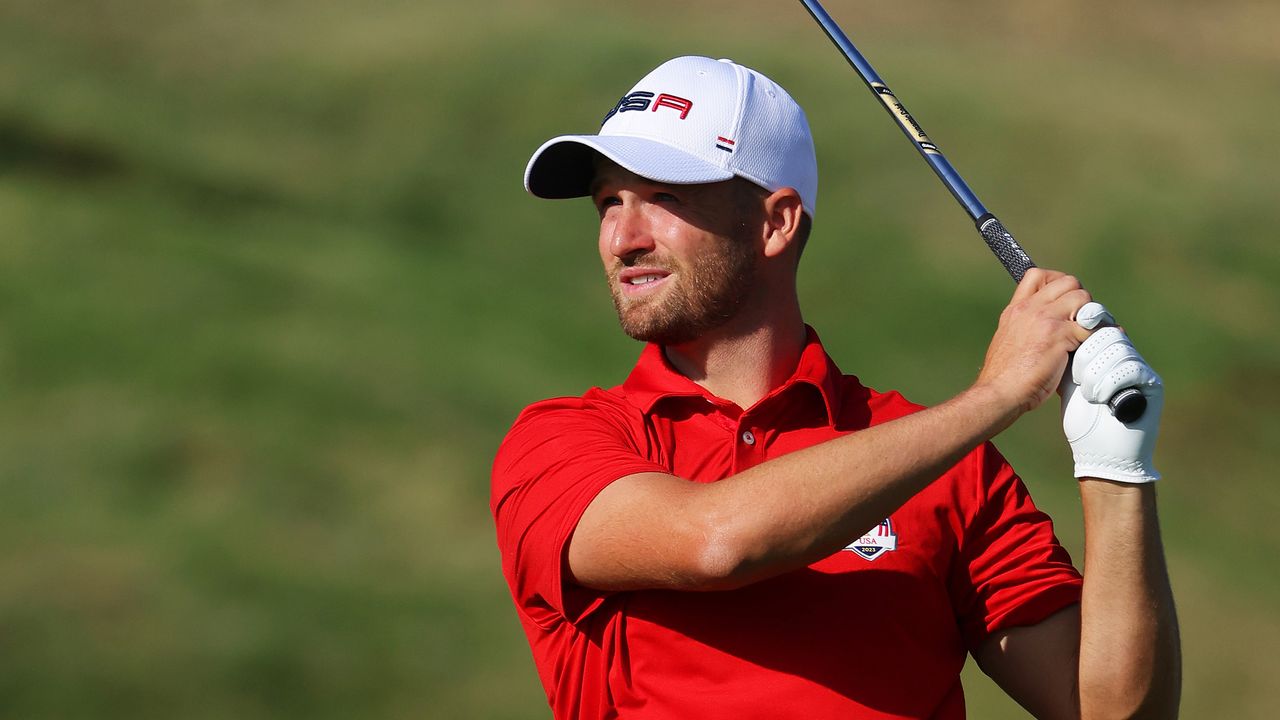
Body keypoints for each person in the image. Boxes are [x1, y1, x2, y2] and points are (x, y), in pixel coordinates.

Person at [491, 55, 1180, 719]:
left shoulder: (949, 468)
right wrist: (996, 397)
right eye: (609, 202)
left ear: (776, 222)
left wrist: (1115, 464)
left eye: (664, 197)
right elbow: (716, 542)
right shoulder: (561, 440)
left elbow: (1113, 713)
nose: (623, 237)